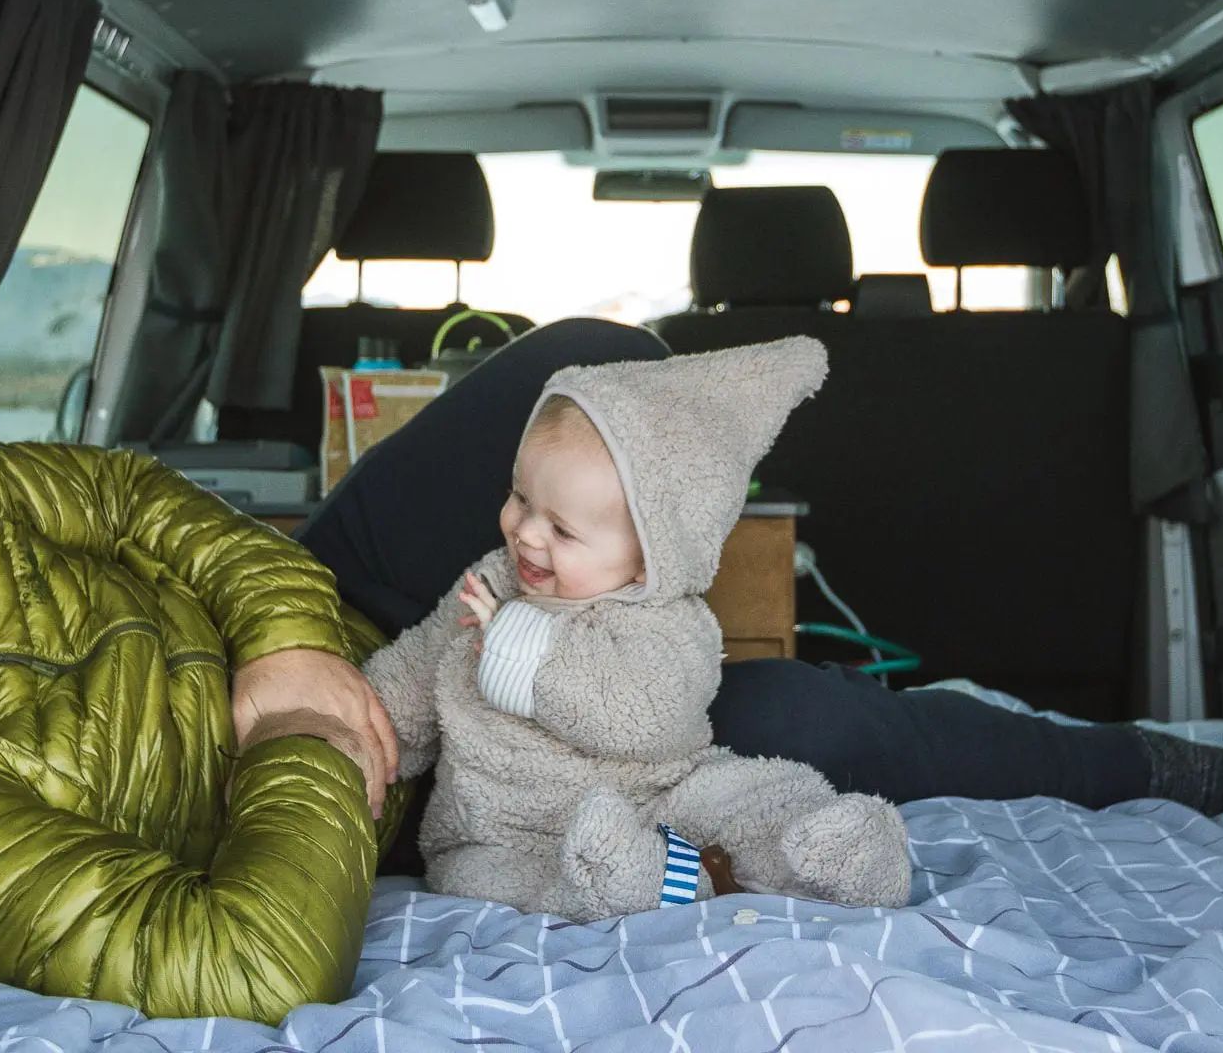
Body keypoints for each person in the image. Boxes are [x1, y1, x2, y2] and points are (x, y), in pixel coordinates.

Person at [0, 320, 1223, 1021]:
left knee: (580, 365)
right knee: (799, 720)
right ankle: (1177, 769)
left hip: (314, 617)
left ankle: (633, 627)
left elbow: (128, 500)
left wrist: (286, 635)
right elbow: (234, 959)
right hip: (382, 791)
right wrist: (325, 744)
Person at [365, 337, 909, 920]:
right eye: (520, 498)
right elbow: (408, 685)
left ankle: (841, 855)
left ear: (650, 557)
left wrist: (515, 651)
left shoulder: (669, 623)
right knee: (480, 877)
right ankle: (630, 883)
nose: (524, 533)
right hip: (504, 833)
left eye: (563, 531)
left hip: (659, 795)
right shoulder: (486, 588)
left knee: (757, 793)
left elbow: (649, 715)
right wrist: (357, 730)